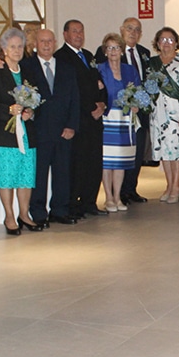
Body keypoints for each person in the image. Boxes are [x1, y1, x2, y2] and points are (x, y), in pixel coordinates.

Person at [0, 27, 37, 235]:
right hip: (3, 134)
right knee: (7, 176)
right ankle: (9, 216)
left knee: (26, 175)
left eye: (20, 46)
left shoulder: (27, 70)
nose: (16, 50)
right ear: (3, 48)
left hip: (27, 133)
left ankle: (24, 214)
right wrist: (8, 110)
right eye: (12, 46)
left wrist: (30, 111)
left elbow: (37, 97)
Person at [22, 28, 81, 227]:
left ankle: (60, 210)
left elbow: (75, 99)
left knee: (62, 173)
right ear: (35, 44)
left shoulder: (66, 68)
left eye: (50, 41)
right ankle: (38, 212)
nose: (46, 45)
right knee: (39, 174)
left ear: (55, 43)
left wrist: (71, 125)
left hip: (63, 130)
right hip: (38, 130)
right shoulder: (26, 66)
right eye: (42, 41)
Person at [55, 20, 106, 218]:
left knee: (94, 163)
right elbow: (72, 90)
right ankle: (73, 204)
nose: (78, 35)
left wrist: (102, 104)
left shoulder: (88, 55)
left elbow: (99, 83)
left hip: (95, 120)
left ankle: (89, 202)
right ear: (65, 34)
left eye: (81, 31)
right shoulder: (61, 57)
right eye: (74, 31)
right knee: (77, 164)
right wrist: (91, 107)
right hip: (79, 119)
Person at [107, 17, 151, 204]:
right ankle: (118, 193)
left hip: (138, 112)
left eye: (137, 30)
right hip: (118, 114)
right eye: (129, 28)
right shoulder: (111, 53)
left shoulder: (144, 53)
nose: (133, 33)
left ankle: (131, 189)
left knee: (137, 150)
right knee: (118, 153)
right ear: (121, 30)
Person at [149, 27, 179, 202]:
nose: (166, 43)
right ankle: (168, 184)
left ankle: (176, 185)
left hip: (176, 111)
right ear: (157, 43)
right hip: (157, 112)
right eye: (162, 40)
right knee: (163, 150)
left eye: (170, 40)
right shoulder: (153, 63)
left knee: (176, 150)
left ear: (176, 43)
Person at [97, 32, 141, 211]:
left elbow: (138, 91)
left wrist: (136, 104)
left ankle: (118, 197)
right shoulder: (99, 69)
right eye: (109, 48)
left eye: (116, 47)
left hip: (124, 121)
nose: (113, 51)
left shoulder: (130, 70)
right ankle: (108, 198)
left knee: (121, 161)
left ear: (122, 50)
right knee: (107, 161)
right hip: (107, 120)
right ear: (105, 51)